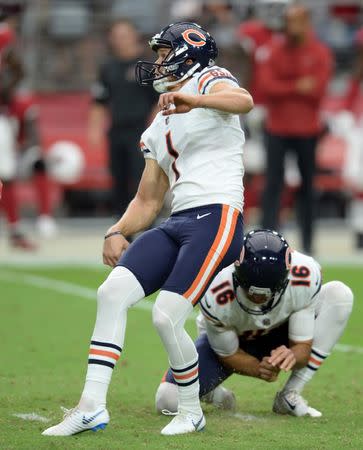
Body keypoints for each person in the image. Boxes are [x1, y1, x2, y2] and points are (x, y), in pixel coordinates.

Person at [42, 21, 253, 437]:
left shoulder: (209, 80)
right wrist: (116, 230)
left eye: (162, 53)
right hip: (178, 221)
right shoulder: (160, 122)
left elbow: (243, 100)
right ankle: (91, 407)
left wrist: (194, 99)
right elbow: (148, 200)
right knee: (112, 293)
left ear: (186, 54)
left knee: (166, 315)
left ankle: (191, 411)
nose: (156, 62)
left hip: (219, 216)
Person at [155, 229, 354, 417]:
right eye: (252, 291)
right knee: (167, 399)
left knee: (339, 295)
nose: (258, 299)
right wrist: (261, 369)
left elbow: (303, 347)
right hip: (231, 342)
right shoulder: (216, 289)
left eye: (266, 293)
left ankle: (291, 394)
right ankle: (214, 394)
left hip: (278, 332)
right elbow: (229, 354)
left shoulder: (305, 275)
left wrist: (292, 355)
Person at [259, 3, 333, 254]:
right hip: (277, 127)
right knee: (273, 185)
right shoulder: (273, 50)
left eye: (297, 21)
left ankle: (309, 244)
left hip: (307, 130)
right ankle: (267, 242)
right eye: (289, 21)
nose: (292, 26)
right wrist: (297, 86)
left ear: (306, 22)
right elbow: (266, 87)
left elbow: (318, 90)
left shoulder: (320, 52)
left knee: (307, 186)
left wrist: (286, 87)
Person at [89, 18, 158, 216]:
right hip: (117, 130)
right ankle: (121, 223)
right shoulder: (108, 67)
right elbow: (99, 99)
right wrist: (94, 128)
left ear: (135, 36)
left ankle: (147, 222)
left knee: (141, 177)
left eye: (124, 35)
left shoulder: (147, 66)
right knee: (118, 177)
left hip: (141, 129)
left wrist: (151, 129)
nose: (120, 40)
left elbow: (158, 101)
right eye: (116, 36)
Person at [0, 1, 56, 245]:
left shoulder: (20, 102)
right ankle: (15, 229)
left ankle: (30, 223)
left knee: (14, 170)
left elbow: (32, 133)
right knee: (6, 174)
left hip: (16, 147)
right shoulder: (6, 36)